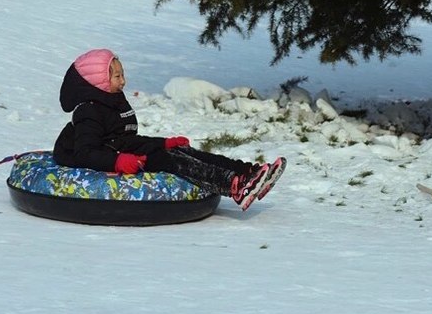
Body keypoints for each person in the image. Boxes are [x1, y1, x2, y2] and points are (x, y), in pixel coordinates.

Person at [53, 49, 286, 211]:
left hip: (128, 152)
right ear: (98, 81)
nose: (123, 81)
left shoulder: (114, 101)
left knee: (187, 152)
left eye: (122, 74)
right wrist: (117, 162)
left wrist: (163, 142)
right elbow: (86, 152)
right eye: (117, 76)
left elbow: (126, 139)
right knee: (173, 161)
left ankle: (246, 172)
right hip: (116, 158)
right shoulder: (89, 112)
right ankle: (234, 186)